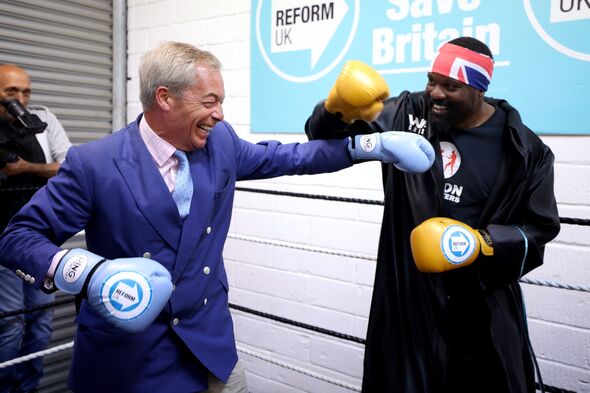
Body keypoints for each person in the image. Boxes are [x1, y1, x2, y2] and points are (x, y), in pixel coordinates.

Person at [0, 41, 435, 393]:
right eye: (210, 101)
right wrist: (84, 272)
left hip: (211, 350)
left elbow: (285, 157)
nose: (220, 114)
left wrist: (363, 149)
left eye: (221, 102)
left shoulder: (220, 142)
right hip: (131, 363)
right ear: (164, 99)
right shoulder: (94, 163)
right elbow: (18, 236)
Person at [305, 37, 560, 393]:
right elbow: (322, 137)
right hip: (409, 304)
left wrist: (481, 243)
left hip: (480, 311)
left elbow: (540, 227)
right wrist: (334, 108)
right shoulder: (407, 114)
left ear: (478, 89)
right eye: (432, 81)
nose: (436, 93)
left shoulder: (523, 148)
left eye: (450, 86)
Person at [0, 64, 72, 393]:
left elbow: (68, 166)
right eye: (11, 92)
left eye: (26, 91)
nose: (21, 99)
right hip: (2, 240)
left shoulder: (40, 119)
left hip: (38, 237)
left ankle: (28, 389)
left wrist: (26, 168)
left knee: (41, 324)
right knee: (11, 324)